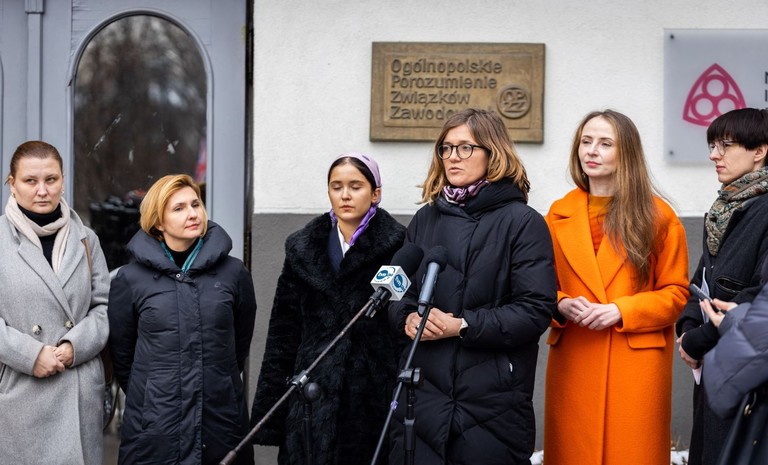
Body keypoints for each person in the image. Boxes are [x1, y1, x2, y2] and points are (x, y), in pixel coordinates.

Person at [387, 108, 557, 465]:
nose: (453, 157)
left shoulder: (524, 223)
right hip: (423, 396)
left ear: (493, 153)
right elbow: (397, 293)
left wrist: (462, 325)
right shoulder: (424, 219)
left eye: (465, 148)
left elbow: (534, 310)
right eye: (446, 148)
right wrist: (406, 318)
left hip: (493, 404)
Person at [543, 110, 689, 465]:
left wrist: (621, 310)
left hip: (634, 364)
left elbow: (676, 293)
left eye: (605, 143)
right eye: (586, 141)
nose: (591, 151)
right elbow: (538, 289)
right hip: (576, 358)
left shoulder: (659, 216)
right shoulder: (557, 215)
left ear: (627, 153)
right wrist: (560, 304)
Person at [250, 153, 406, 465]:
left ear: (375, 193)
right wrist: (272, 414)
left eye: (355, 186)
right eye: (337, 186)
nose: (345, 195)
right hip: (311, 394)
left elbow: (402, 327)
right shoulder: (302, 248)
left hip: (371, 396)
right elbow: (283, 332)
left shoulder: (399, 246)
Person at [108, 174, 256, 465]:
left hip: (220, 420)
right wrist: (153, 393)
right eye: (179, 208)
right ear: (158, 223)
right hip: (155, 426)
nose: (192, 213)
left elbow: (238, 344)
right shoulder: (130, 279)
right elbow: (123, 356)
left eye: (195, 204)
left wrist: (215, 381)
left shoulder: (234, 273)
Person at [0, 140, 110, 464]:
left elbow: (103, 308)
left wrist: (75, 346)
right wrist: (30, 355)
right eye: (30, 180)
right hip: (20, 390)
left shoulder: (86, 239)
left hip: (78, 390)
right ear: (12, 183)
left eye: (51, 179)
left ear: (63, 180)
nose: (42, 190)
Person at [676, 107, 768, 465]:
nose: (715, 155)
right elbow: (701, 280)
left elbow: (758, 298)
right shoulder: (725, 208)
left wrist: (697, 340)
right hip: (716, 369)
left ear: (759, 150)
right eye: (712, 146)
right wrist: (687, 329)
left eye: (725, 146)